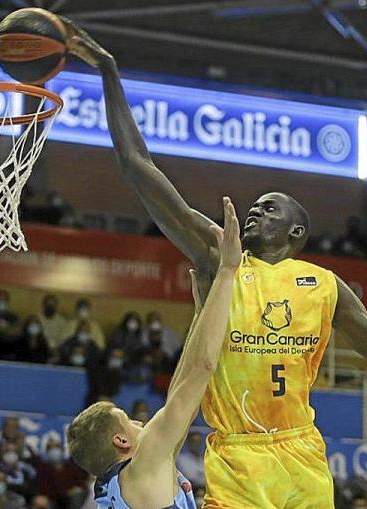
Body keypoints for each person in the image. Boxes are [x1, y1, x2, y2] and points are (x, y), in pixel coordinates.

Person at [62, 19, 367, 508]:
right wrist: (109, 73)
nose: (255, 210)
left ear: (297, 232)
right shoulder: (219, 255)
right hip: (238, 453)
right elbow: (139, 169)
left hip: (301, 451)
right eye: (255, 205)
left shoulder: (326, 286)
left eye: (270, 207)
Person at [65, 196, 241, 508]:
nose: (139, 422)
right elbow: (202, 367)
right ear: (122, 442)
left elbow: (180, 391)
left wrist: (202, 315)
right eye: (128, 420)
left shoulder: (122, 483)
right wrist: (228, 271)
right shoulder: (145, 462)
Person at [36, 438, 89, 509]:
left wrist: (79, 488)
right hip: (55, 501)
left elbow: (81, 484)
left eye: (56, 447)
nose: (54, 450)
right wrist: (66, 492)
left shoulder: (69, 467)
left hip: (74, 499)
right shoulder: (43, 470)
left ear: (61, 449)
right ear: (47, 451)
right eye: (50, 448)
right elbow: (46, 492)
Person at [38, 293, 69, 359]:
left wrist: (55, 347)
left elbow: (64, 339)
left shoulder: (62, 321)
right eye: (48, 304)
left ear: (55, 306)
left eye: (52, 305)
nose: (50, 306)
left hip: (57, 350)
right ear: (43, 305)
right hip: (40, 348)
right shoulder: (37, 318)